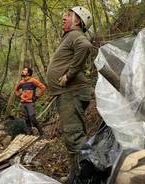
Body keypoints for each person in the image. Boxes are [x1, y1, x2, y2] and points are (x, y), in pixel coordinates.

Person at [46, 6, 93, 180]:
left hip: (72, 92)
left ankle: (88, 178)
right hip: (68, 94)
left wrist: (69, 74)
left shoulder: (75, 35)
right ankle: (76, 175)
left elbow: (86, 45)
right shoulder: (70, 36)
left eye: (69, 15)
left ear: (78, 21)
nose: (64, 17)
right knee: (71, 136)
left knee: (74, 136)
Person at [15, 67, 46, 136]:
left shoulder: (33, 80)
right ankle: (29, 134)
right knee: (26, 119)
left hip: (30, 102)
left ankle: (42, 132)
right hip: (23, 103)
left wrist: (37, 96)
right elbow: (16, 90)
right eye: (23, 70)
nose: (23, 71)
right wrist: (19, 96)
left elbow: (43, 88)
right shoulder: (21, 82)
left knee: (32, 117)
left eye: (25, 70)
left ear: (28, 73)